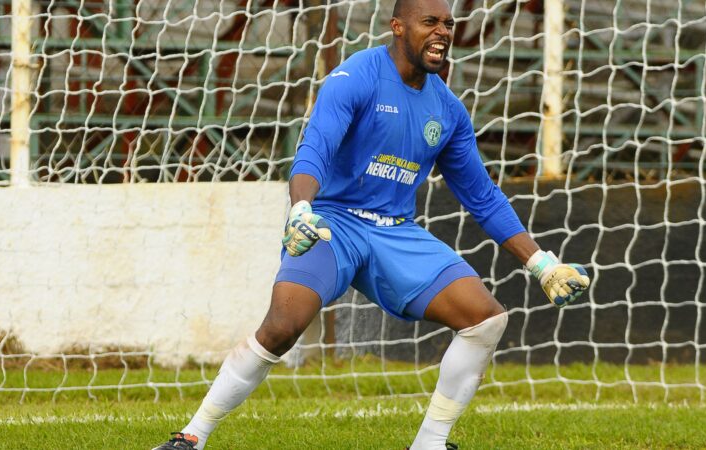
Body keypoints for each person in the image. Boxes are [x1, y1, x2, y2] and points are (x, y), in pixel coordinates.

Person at [154, 0, 589, 448]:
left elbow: (482, 196)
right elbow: (315, 149)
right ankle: (192, 436)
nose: (442, 32)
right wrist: (301, 209)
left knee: (486, 320)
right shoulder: (356, 75)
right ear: (397, 27)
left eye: (449, 24)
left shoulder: (449, 110)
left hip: (393, 232)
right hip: (332, 225)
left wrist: (541, 264)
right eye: (430, 23)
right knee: (283, 326)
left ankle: (429, 443)